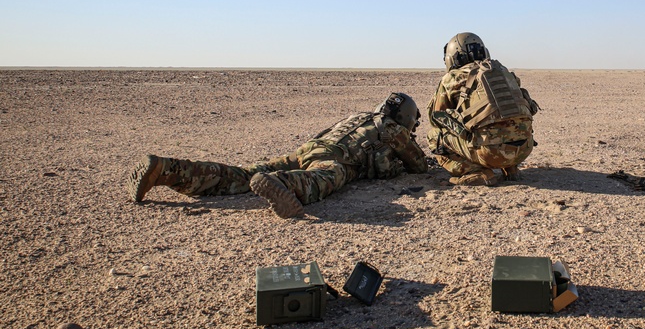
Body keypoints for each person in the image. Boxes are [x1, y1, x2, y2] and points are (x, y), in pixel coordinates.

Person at [127, 92, 428, 218]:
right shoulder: (392, 129)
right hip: (331, 158)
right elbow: (419, 165)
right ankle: (283, 185)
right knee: (328, 177)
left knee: (241, 175)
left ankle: (167, 169)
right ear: (406, 117)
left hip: (306, 150)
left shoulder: (360, 116)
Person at [426, 32, 539, 186]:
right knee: (507, 123)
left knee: (434, 136)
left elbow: (437, 118)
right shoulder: (503, 71)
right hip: (524, 148)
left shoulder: (451, 78)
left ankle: (476, 172)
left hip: (490, 153)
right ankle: (510, 168)